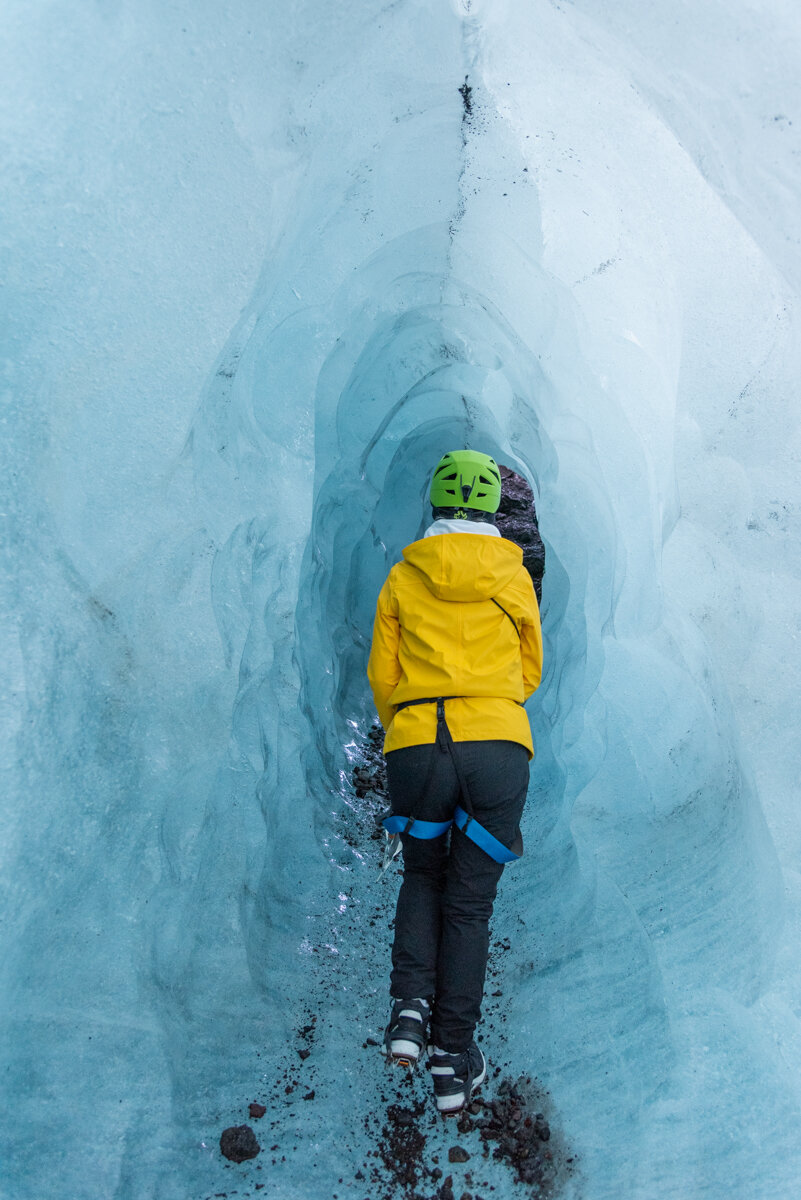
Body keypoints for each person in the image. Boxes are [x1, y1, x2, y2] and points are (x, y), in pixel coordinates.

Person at [367, 449, 543, 1115]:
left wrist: (408, 724)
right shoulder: (512, 574)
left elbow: (382, 673)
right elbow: (529, 665)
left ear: (435, 505)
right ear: (492, 508)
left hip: (417, 741)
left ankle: (409, 1012)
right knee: (469, 903)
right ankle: (451, 1059)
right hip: (496, 745)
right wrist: (492, 707)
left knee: (421, 874)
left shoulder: (404, 574)